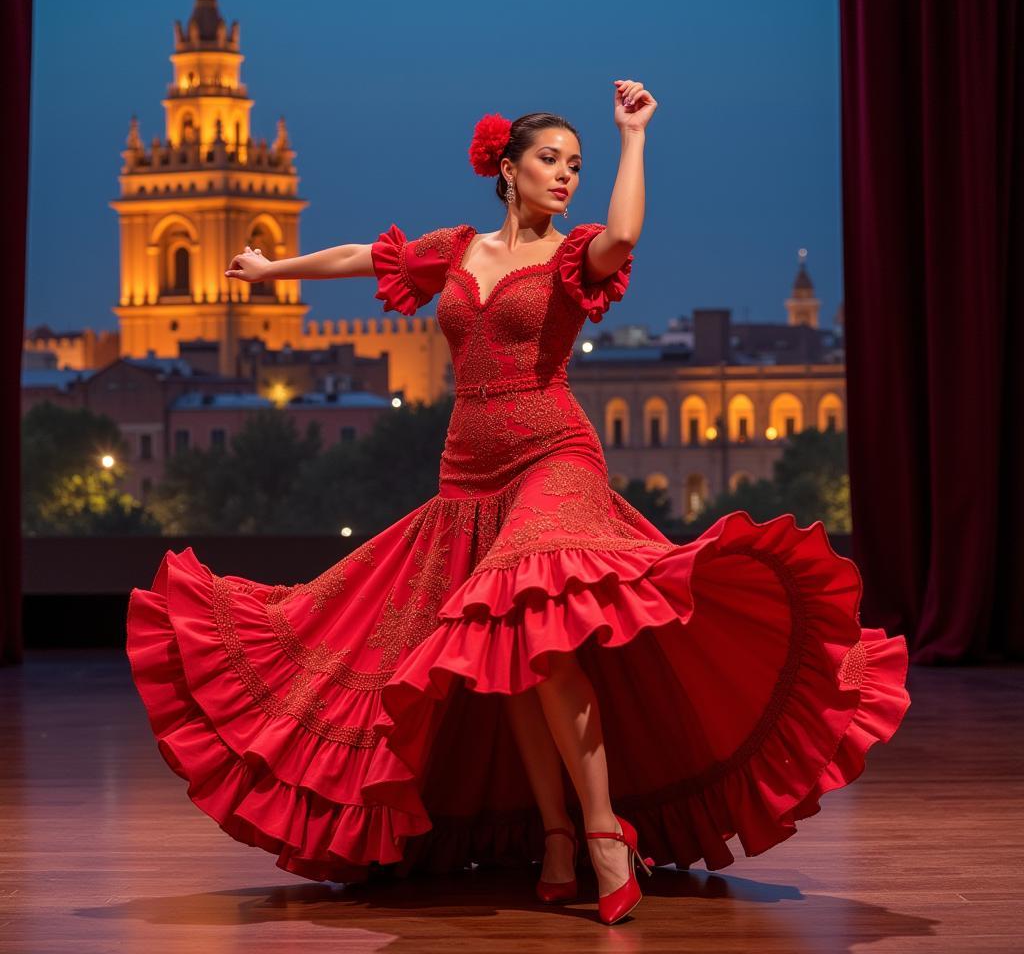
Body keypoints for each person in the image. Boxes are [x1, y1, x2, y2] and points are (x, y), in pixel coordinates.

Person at [126, 79, 911, 927]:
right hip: (466, 473)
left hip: (555, 454)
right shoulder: (456, 250)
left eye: (577, 163)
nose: (567, 174)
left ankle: (603, 833)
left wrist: (634, 137)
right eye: (551, 159)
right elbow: (366, 255)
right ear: (507, 168)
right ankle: (555, 834)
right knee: (510, 660)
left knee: (540, 630)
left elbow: (624, 233)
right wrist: (274, 267)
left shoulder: (573, 256)